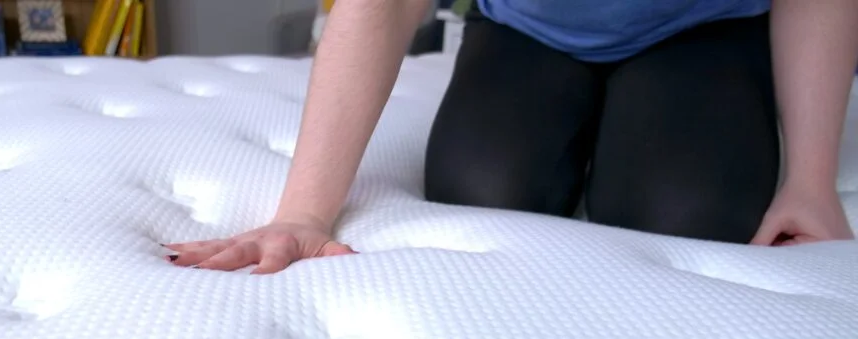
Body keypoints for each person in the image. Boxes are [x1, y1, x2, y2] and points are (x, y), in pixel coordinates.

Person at [165, 0, 857, 274]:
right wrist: (304, 211)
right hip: (531, 25)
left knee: (687, 213)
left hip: (704, 25)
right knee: (484, 189)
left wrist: (810, 179)